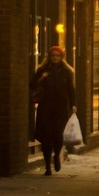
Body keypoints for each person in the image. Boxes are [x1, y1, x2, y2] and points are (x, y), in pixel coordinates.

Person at [30, 46, 76, 176]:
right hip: (45, 106)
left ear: (61, 58)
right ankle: (47, 167)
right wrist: (41, 78)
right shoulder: (42, 70)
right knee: (46, 136)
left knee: (58, 134)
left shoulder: (67, 72)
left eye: (57, 56)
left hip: (60, 107)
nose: (55, 58)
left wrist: (73, 104)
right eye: (52, 56)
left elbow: (71, 89)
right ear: (49, 57)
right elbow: (32, 85)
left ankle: (56, 155)